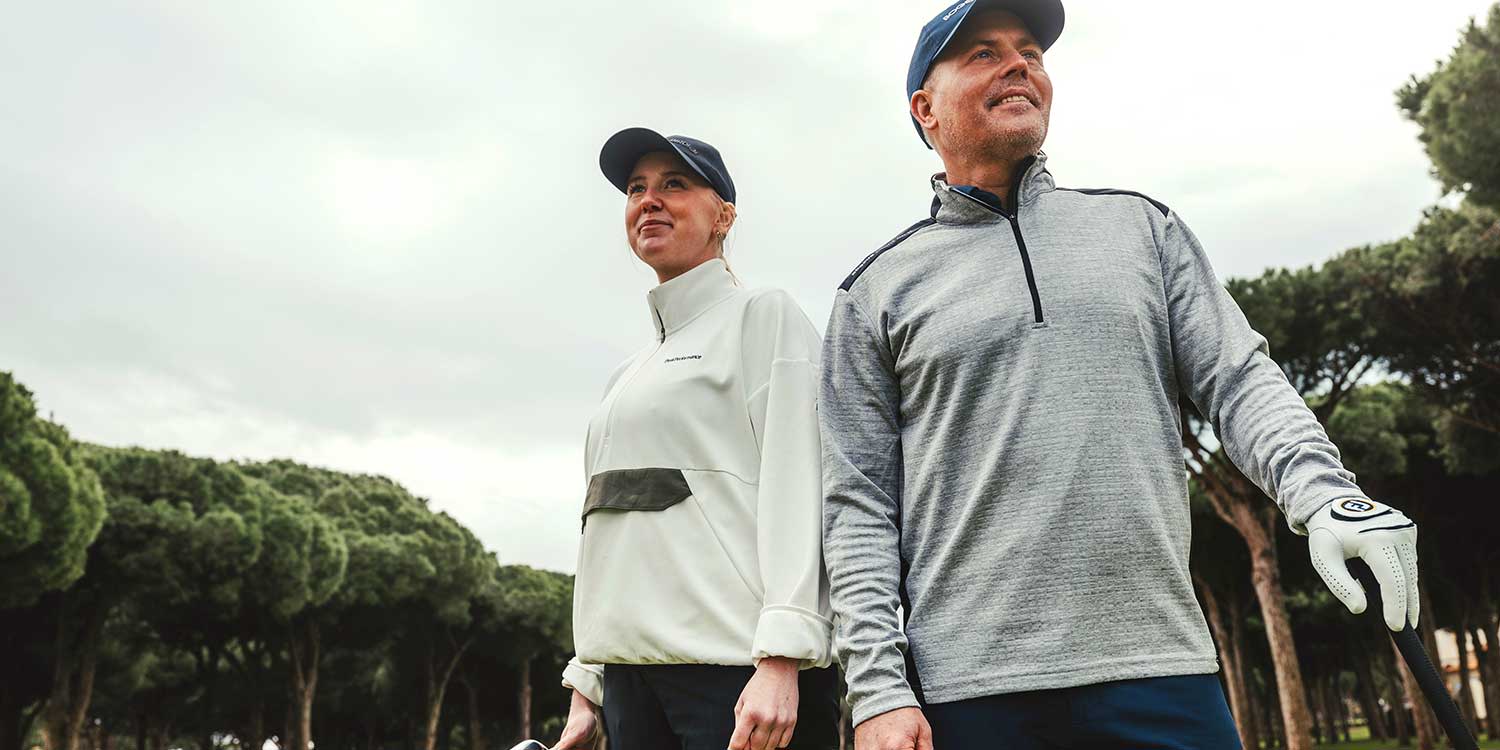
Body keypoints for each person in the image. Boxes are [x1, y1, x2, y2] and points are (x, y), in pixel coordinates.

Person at [818, 2, 1422, 748]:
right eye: (983, 53)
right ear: (925, 109)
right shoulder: (874, 291)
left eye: (1030, 52)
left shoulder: (1143, 229)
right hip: (969, 691)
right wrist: (877, 689)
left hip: (1161, 668)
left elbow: (1239, 380)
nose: (1020, 65)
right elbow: (858, 504)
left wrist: (1326, 494)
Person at [552, 127, 840, 750]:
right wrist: (588, 683)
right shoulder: (624, 377)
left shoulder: (765, 316)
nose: (649, 200)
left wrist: (783, 654)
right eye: (637, 189)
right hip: (630, 682)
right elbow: (605, 533)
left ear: (723, 217)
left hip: (742, 679)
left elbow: (804, 488)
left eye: (674, 184)